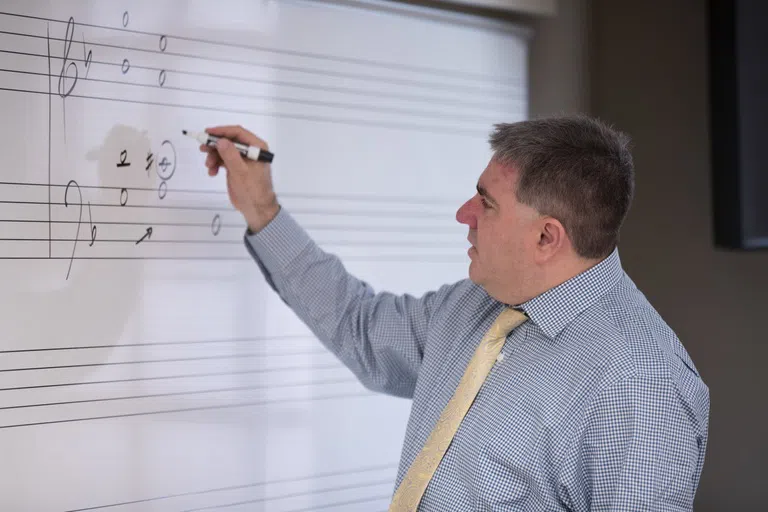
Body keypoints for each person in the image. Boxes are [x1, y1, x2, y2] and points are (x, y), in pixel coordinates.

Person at [200, 115, 710, 511]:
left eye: (486, 204)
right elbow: (358, 324)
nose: (463, 214)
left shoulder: (641, 383)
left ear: (546, 237)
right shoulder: (474, 306)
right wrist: (262, 211)